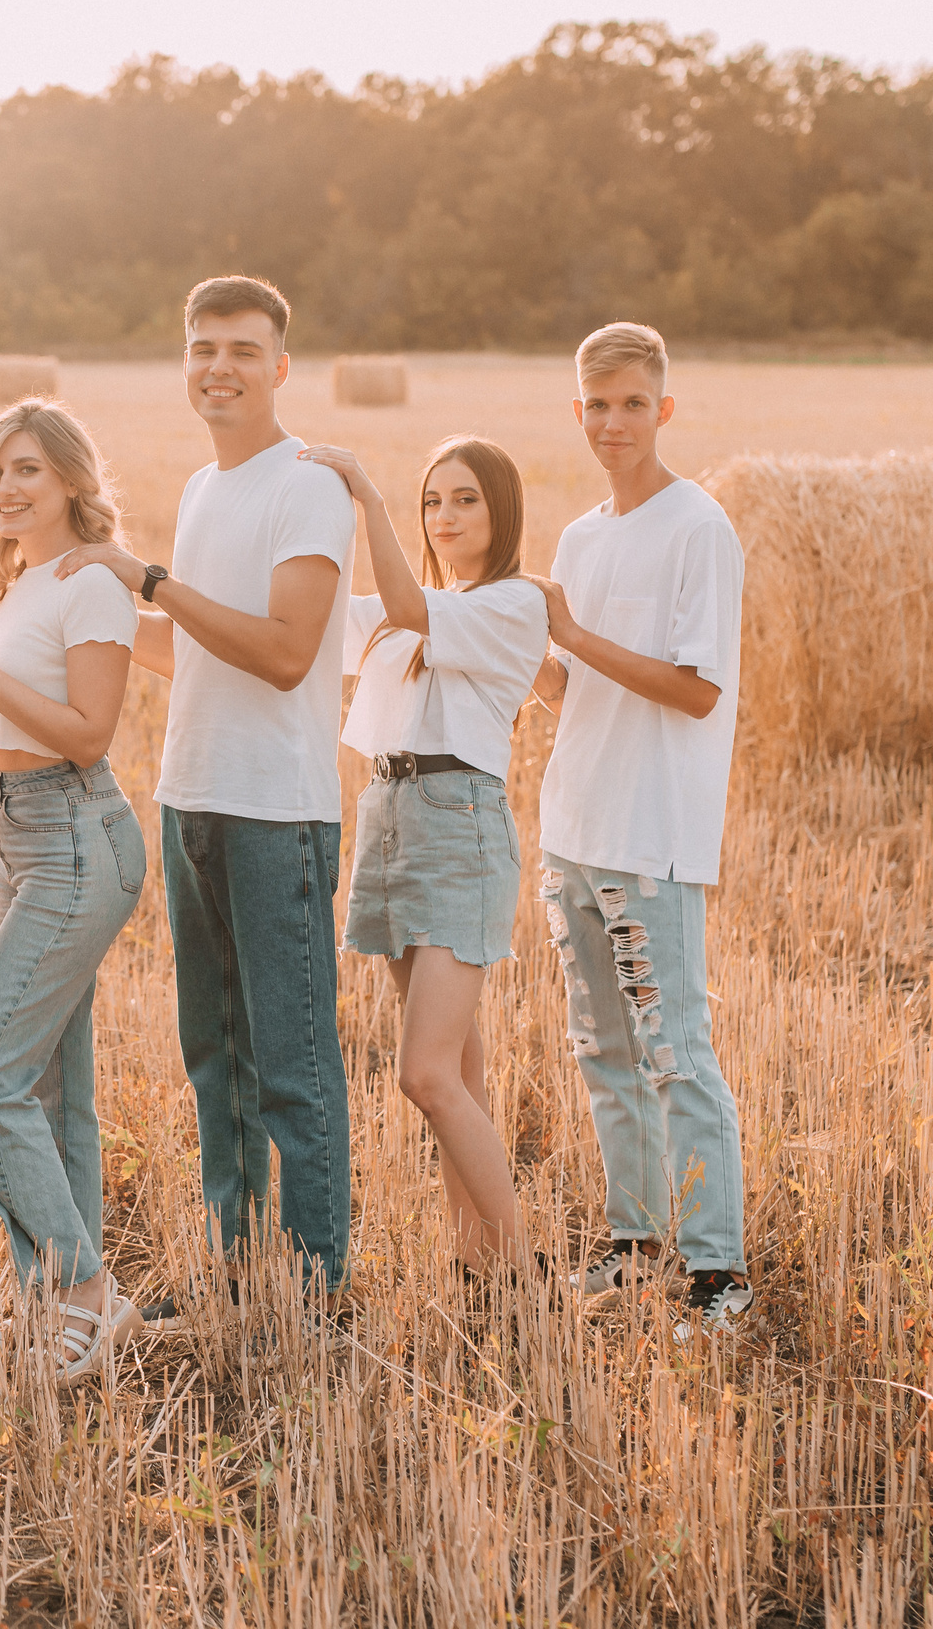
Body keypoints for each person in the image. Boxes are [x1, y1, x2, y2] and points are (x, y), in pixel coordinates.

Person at [58, 275, 356, 1316]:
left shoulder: (305, 485)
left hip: (278, 810)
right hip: (191, 798)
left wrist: (145, 580)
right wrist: (68, 607)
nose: (218, 367)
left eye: (240, 349)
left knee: (291, 1061)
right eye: (201, 348)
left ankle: (317, 1288)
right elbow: (191, 650)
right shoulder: (200, 488)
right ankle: (236, 1271)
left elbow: (281, 654)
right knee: (211, 1057)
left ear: (280, 365)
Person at [0, 399, 146, 1384]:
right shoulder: (6, 590)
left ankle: (85, 1287)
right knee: (48, 1089)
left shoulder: (87, 585)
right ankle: (62, 1308)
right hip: (12, 831)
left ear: (70, 483)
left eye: (28, 472)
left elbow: (86, 731)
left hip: (75, 836)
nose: (7, 489)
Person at [530, 321, 751, 1339]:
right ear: (575, 413)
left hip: (650, 838)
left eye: (631, 403)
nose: (612, 421)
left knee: (675, 1054)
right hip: (572, 828)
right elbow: (568, 693)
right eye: (595, 404)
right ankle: (635, 1246)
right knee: (602, 1053)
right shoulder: (580, 538)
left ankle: (718, 1274)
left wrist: (572, 633)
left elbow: (696, 691)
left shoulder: (696, 528)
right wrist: (488, 639)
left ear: (662, 409)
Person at [301, 435, 546, 1279]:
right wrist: (141, 595)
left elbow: (406, 605)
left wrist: (367, 496)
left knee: (426, 1073)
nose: (445, 516)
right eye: (432, 501)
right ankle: (473, 1261)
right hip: (390, 811)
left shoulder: (512, 604)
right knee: (462, 1065)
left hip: (457, 824)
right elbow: (299, 632)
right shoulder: (413, 616)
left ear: (501, 509)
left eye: (466, 499)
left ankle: (521, 1274)